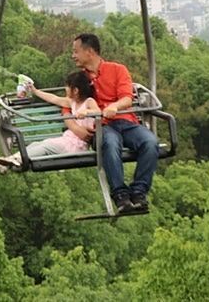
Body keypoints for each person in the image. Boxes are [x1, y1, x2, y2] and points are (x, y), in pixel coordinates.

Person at [67, 33, 160, 214]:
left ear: (90, 52)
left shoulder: (117, 70)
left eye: (76, 51)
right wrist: (76, 128)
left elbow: (127, 98)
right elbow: (69, 103)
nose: (73, 56)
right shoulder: (80, 79)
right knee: (110, 143)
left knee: (150, 143)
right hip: (102, 127)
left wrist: (114, 107)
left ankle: (139, 193)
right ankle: (121, 196)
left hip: (125, 121)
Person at [0, 71, 100, 174]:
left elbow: (98, 111)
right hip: (67, 140)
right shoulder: (72, 102)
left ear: (75, 90)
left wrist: (87, 112)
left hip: (76, 146)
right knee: (35, 145)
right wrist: (35, 91)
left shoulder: (88, 102)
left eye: (67, 86)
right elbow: (54, 98)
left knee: (45, 147)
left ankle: (15, 160)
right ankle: (6, 163)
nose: (65, 89)